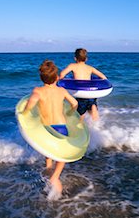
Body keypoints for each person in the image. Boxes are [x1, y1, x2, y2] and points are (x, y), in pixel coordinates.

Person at [22, 59, 78, 194]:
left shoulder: (38, 90)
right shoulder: (62, 90)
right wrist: (70, 113)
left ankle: (48, 170)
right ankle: (55, 176)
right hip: (61, 126)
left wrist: (24, 113)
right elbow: (75, 103)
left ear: (41, 78)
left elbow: (30, 104)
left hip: (47, 127)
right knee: (60, 154)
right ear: (57, 77)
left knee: (49, 149)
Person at [60, 48, 107, 121]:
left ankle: (81, 125)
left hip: (81, 93)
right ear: (86, 59)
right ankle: (96, 123)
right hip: (91, 93)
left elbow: (62, 74)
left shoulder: (72, 66)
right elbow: (103, 77)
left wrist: (60, 82)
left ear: (75, 58)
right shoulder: (90, 68)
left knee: (80, 113)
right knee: (92, 105)